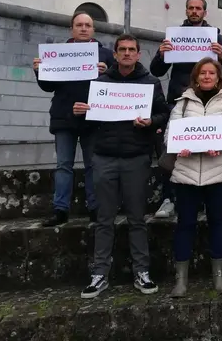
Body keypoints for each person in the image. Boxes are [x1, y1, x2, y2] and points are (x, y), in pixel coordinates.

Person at [73, 34, 169, 299]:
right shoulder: (100, 83)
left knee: (137, 218)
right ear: (115, 54)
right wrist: (83, 111)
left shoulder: (150, 82)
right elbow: (88, 123)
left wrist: (150, 121)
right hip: (104, 157)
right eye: (122, 50)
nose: (127, 54)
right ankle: (100, 273)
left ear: (139, 54)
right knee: (104, 219)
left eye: (132, 50)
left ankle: (142, 271)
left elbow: (164, 112)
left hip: (136, 157)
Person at [151, 0, 222, 219]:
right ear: (186, 10)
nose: (194, 11)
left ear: (204, 12)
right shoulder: (175, 36)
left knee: (206, 155)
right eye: (190, 8)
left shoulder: (215, 36)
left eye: (198, 8)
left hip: (210, 105)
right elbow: (156, 71)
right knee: (175, 154)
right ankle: (169, 199)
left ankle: (201, 201)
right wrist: (162, 55)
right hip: (180, 102)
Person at [168, 58, 222, 297]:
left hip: (218, 173)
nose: (207, 77)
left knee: (217, 224)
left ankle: (219, 278)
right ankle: (181, 280)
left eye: (211, 73)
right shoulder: (181, 104)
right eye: (203, 73)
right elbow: (170, 133)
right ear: (196, 76)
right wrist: (177, 146)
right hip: (186, 174)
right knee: (185, 225)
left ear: (218, 77)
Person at [33, 11, 116, 226]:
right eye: (79, 25)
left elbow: (116, 85)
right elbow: (47, 86)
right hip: (64, 116)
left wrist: (107, 72)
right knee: (63, 165)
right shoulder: (57, 54)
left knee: (93, 165)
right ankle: (60, 210)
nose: (83, 28)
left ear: (93, 29)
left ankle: (94, 209)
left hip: (93, 117)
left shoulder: (105, 55)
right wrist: (39, 71)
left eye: (87, 25)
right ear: (72, 28)